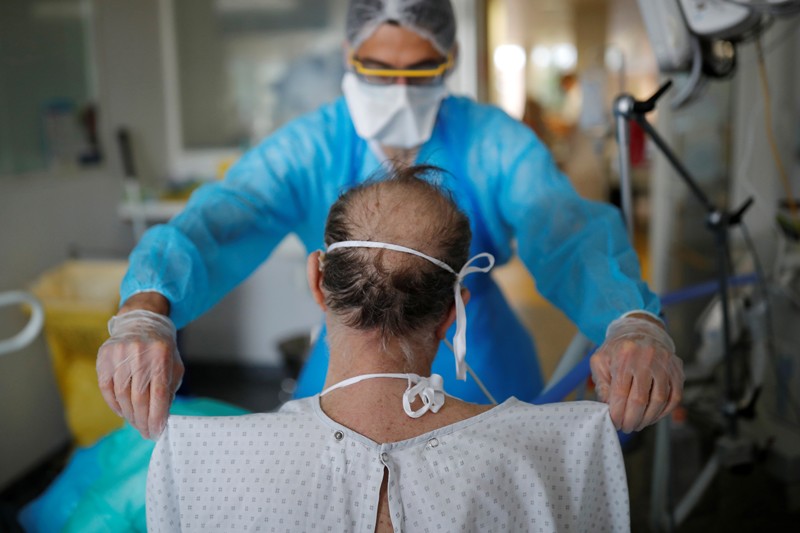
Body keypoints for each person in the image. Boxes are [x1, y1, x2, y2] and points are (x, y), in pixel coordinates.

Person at [97, 0, 683, 441]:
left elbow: (565, 228)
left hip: (478, 357)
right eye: (378, 70)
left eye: (422, 73)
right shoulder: (310, 147)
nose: (400, 92)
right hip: (350, 352)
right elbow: (220, 219)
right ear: (348, 58)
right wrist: (147, 309)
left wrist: (627, 319)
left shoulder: (493, 141)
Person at [146, 167, 631, 532]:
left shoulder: (202, 462)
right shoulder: (559, 456)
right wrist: (635, 322)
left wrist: (142, 308)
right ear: (453, 311)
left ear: (317, 280)